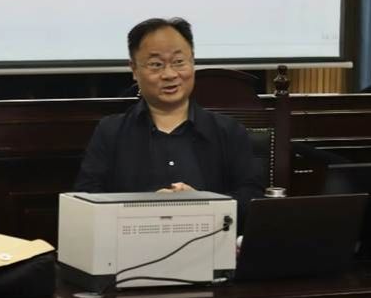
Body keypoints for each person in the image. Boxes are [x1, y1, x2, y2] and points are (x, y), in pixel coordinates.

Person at [74, 17, 263, 220]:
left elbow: (252, 197)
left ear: (192, 62)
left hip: (211, 237)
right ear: (134, 70)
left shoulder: (228, 131)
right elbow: (86, 199)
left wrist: (204, 204)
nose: (170, 74)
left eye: (178, 62)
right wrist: (145, 207)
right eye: (156, 64)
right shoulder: (110, 132)